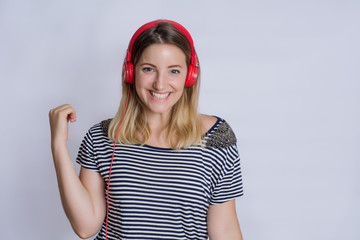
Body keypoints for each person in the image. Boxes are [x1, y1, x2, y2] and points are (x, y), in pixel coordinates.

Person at [49, 19, 244, 240]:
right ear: (130, 72)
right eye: (149, 69)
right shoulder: (102, 138)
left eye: (174, 71)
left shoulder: (217, 138)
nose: (160, 84)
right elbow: (85, 227)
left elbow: (225, 230)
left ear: (190, 76)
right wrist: (58, 145)